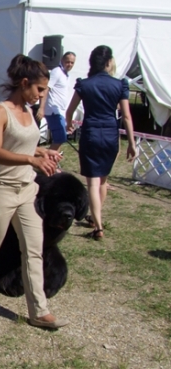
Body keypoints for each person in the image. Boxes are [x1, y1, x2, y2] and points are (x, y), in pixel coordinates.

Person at [0, 54, 69, 330]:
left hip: (26, 191)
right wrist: (31, 160)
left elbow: (22, 144)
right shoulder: (1, 111)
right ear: (24, 83)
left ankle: (39, 311)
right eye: (40, 89)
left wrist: (41, 152)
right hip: (0, 191)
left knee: (34, 249)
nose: (42, 95)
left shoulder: (29, 111)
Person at [66, 45, 136, 240]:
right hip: (110, 135)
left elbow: (70, 111)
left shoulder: (84, 84)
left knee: (93, 183)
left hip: (91, 133)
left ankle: (98, 227)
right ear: (108, 62)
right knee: (103, 180)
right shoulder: (120, 84)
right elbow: (127, 116)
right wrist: (132, 143)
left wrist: (69, 123)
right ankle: (95, 218)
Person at [37, 52, 76, 151]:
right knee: (60, 138)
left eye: (72, 62)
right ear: (62, 60)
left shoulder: (66, 75)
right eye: (67, 62)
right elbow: (46, 89)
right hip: (53, 111)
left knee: (60, 138)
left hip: (60, 111)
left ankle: (51, 159)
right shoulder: (56, 72)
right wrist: (41, 108)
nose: (70, 64)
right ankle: (46, 158)